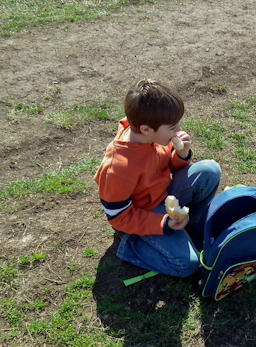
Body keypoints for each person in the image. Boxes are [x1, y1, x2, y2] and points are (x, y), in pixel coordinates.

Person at [94, 79, 221, 278]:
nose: (178, 130)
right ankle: (132, 244)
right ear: (146, 129)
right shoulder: (117, 169)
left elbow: (168, 166)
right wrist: (163, 223)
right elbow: (118, 217)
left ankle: (191, 225)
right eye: (172, 127)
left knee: (210, 170)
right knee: (186, 265)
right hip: (143, 215)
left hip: (165, 195)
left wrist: (181, 155)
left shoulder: (153, 135)